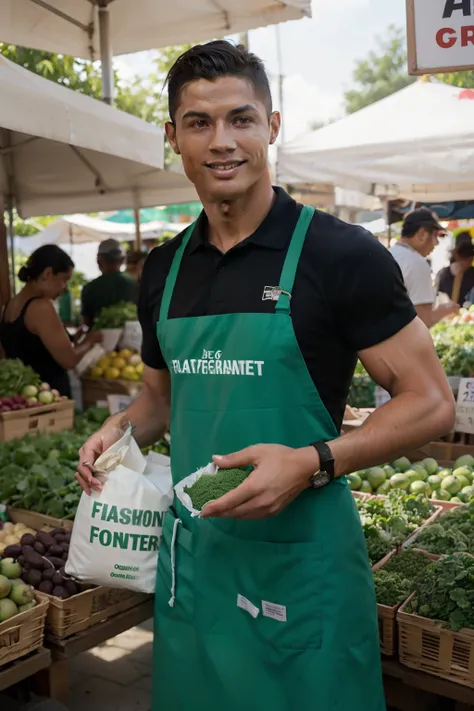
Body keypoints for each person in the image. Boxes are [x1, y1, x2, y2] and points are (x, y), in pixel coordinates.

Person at [75, 41, 455, 711]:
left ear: (271, 127)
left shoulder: (341, 255)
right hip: (197, 569)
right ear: (174, 137)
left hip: (301, 572)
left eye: (241, 119)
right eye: (199, 122)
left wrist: (313, 461)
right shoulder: (162, 271)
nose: (222, 141)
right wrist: (118, 428)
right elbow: (160, 398)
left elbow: (430, 403)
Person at [0, 246, 102, 397]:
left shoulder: (9, 306)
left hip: (26, 397)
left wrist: (75, 339)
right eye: (64, 279)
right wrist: (91, 340)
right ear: (48, 273)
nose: (65, 288)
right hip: (49, 399)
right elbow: (69, 360)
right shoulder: (41, 307)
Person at [390, 208, 459, 327]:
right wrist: (443, 311)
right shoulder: (416, 262)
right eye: (436, 236)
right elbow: (421, 321)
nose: (436, 243)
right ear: (422, 234)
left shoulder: (388, 254)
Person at [81, 239, 137, 327]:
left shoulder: (89, 288)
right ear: (123, 259)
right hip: (135, 338)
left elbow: (86, 324)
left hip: (99, 339)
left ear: (98, 261)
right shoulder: (136, 284)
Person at [437, 242, 474, 306]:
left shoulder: (442, 273)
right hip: (448, 312)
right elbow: (438, 295)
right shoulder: (443, 274)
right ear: (470, 259)